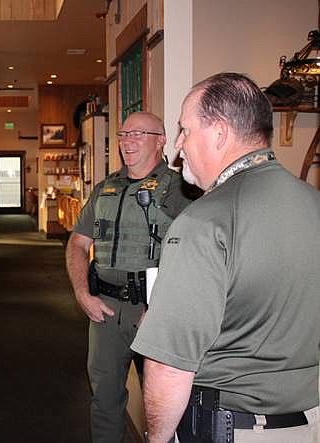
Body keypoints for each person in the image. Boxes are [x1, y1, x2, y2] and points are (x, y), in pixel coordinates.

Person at [131, 73, 320, 443]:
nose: (178, 147)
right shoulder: (313, 204)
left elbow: (169, 366)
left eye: (185, 130)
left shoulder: (204, 222)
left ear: (219, 133)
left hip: (234, 427)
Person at [66, 111, 194, 442]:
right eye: (123, 134)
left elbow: (197, 256)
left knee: (166, 405)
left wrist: (163, 307)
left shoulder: (181, 190)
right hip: (105, 309)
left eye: (138, 134)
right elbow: (77, 244)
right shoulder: (105, 189)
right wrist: (82, 294)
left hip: (155, 312)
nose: (128, 142)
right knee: (104, 401)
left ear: (161, 140)